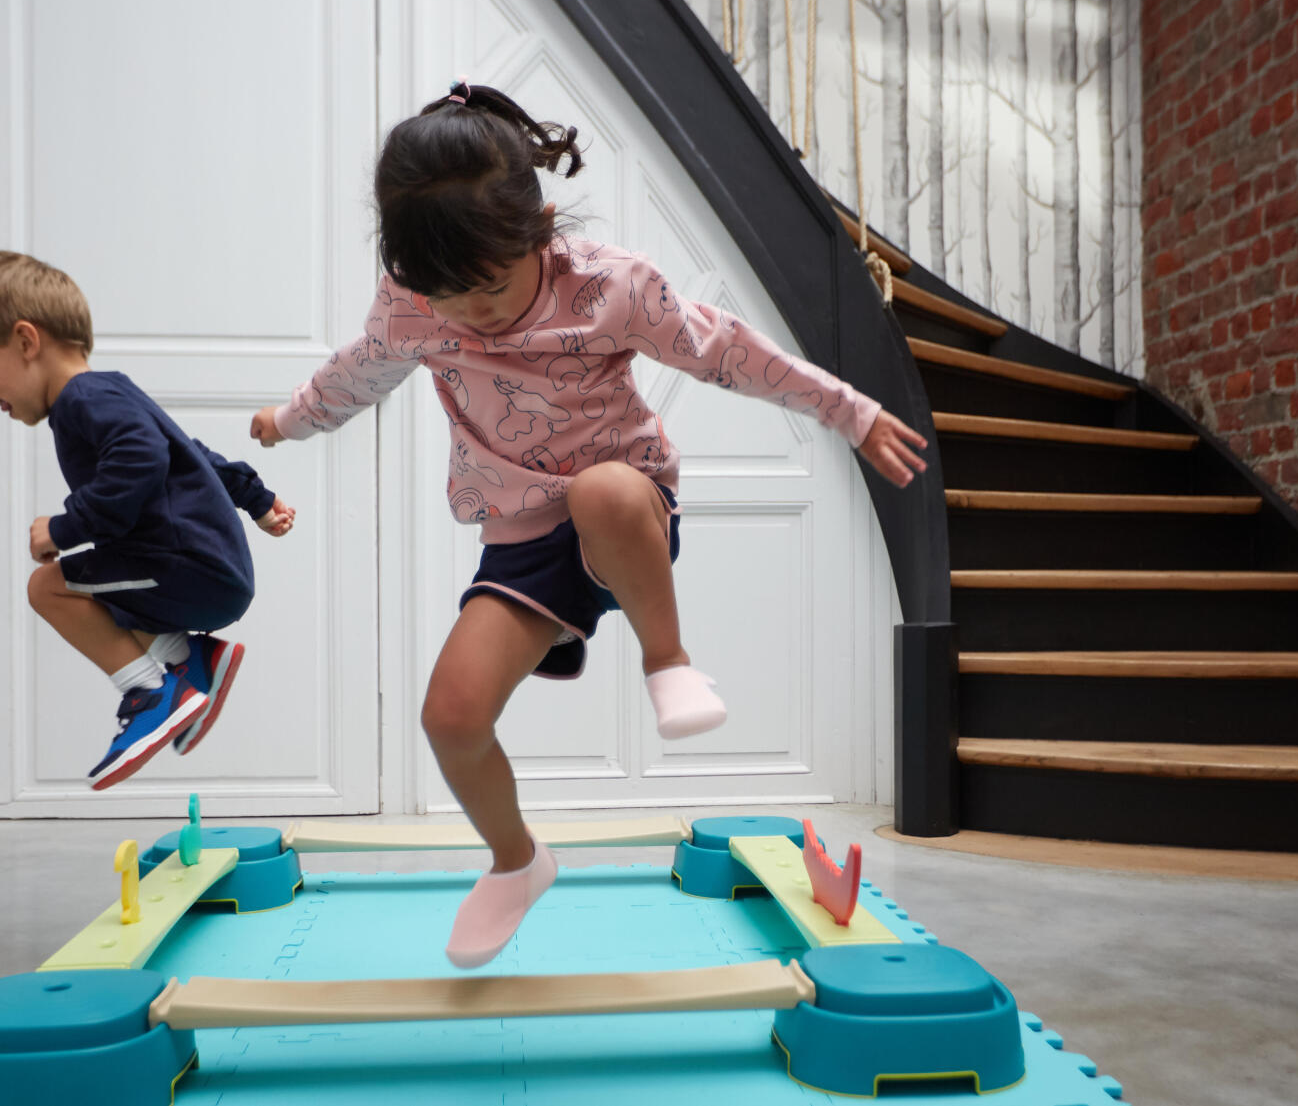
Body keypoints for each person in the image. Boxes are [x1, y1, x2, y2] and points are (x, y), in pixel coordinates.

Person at [251, 82, 926, 968]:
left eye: (493, 284)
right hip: (522, 543)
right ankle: (515, 861)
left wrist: (851, 412)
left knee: (599, 493)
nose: (476, 311)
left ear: (541, 231)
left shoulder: (608, 287)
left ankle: (667, 659)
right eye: (450, 296)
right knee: (450, 716)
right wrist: (289, 418)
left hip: (626, 505)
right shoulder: (411, 305)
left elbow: (726, 349)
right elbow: (356, 374)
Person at [0, 249, 296, 790]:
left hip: (187, 565)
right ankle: (188, 659)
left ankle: (150, 691)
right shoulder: (110, 393)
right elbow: (189, 452)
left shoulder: (82, 399)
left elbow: (143, 459)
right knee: (100, 586)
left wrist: (63, 528)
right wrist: (257, 499)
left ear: (25, 341)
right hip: (206, 570)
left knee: (49, 589)